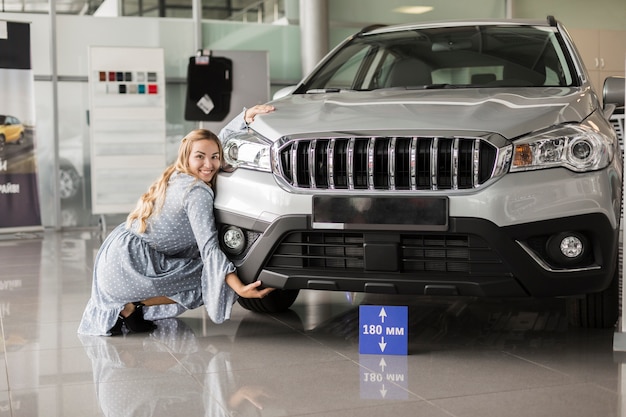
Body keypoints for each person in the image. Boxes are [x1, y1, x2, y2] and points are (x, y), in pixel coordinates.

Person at [78, 104, 276, 336]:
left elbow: (209, 145)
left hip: (115, 258)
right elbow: (209, 249)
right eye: (200, 157)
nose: (209, 164)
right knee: (215, 275)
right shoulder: (197, 192)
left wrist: (243, 117)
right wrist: (240, 287)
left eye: (215, 158)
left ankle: (130, 308)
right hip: (130, 268)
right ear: (187, 157)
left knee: (212, 270)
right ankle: (131, 305)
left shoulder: (178, 173)